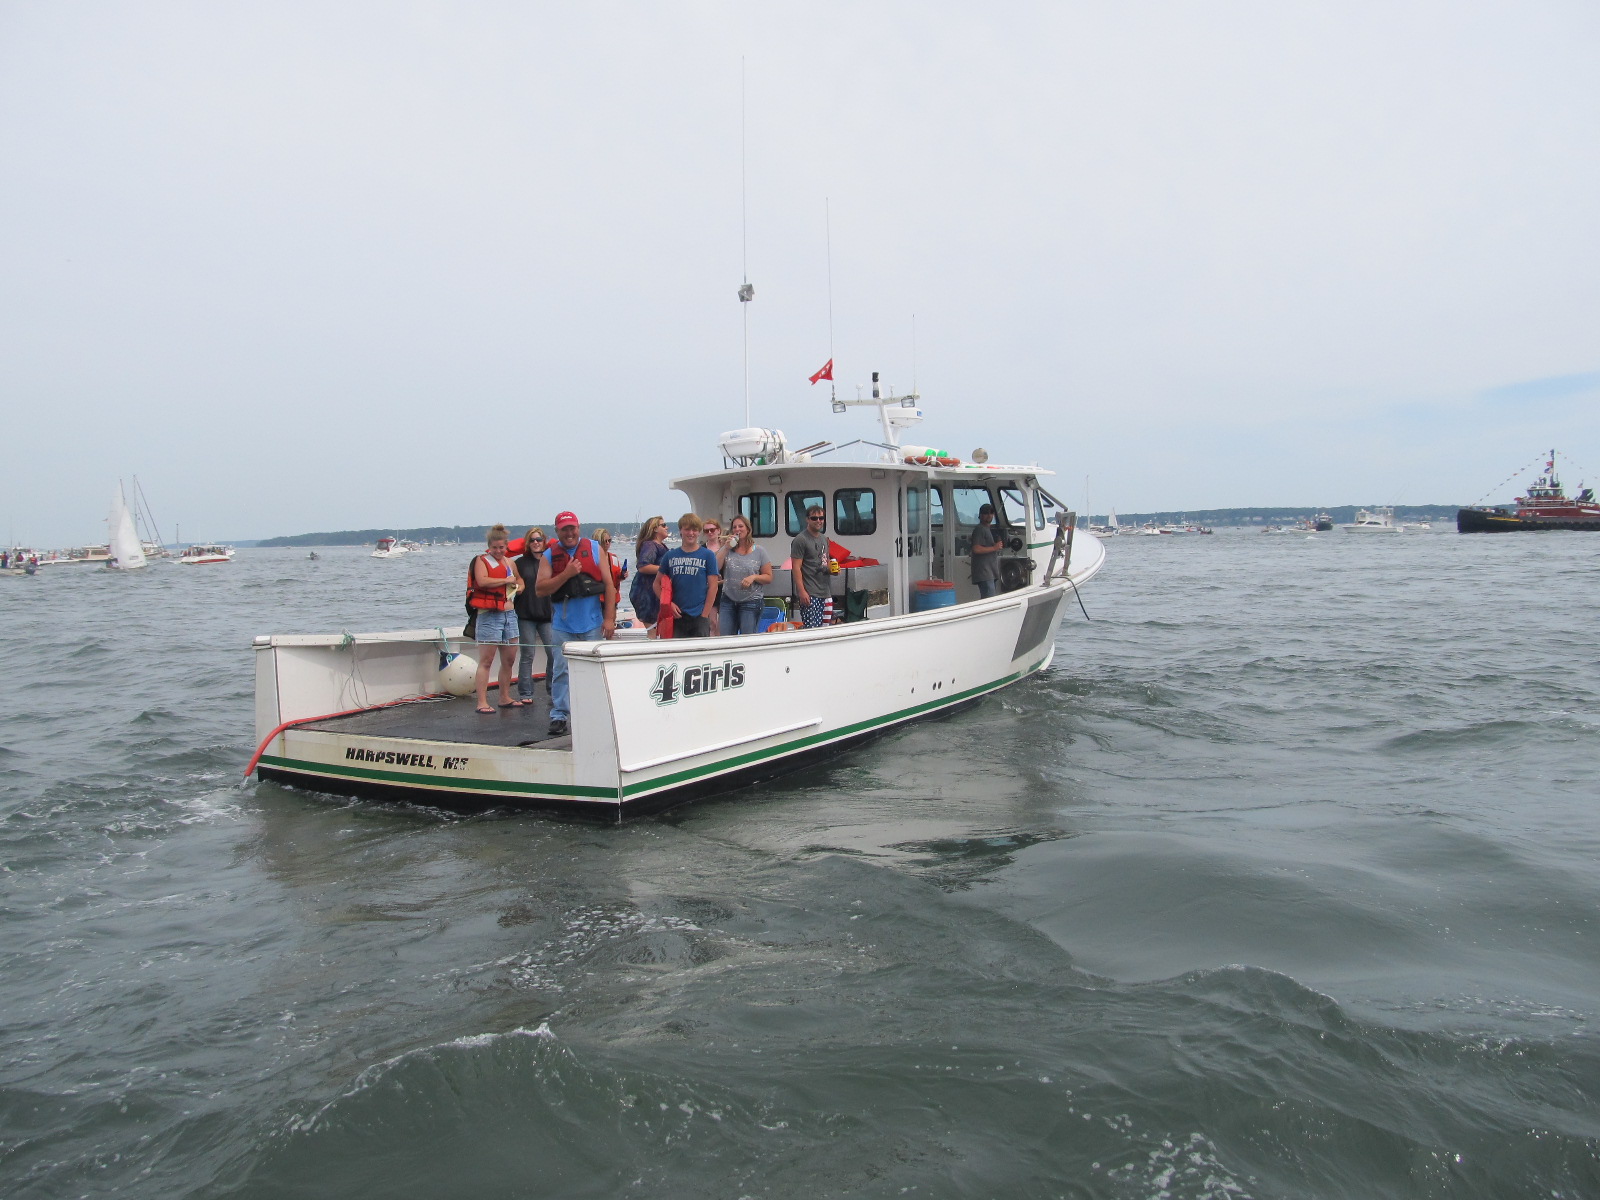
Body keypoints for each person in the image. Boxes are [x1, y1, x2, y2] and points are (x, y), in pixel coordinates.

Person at [535, 512, 617, 737]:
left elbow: (610, 586)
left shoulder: (593, 548)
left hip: (592, 623)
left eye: (572, 528)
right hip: (563, 625)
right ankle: (559, 714)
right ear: (557, 531)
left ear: (578, 528)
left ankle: (596, 712)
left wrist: (609, 619)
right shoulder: (550, 555)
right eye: (564, 529)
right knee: (561, 671)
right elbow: (540, 589)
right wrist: (567, 574)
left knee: (595, 671)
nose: (569, 533)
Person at [467, 525, 523, 714]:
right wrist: (506, 581)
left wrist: (518, 586)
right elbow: (482, 581)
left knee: (509, 659)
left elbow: (520, 580)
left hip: (509, 615)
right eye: (495, 548)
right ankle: (482, 701)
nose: (498, 551)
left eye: (502, 548)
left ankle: (504, 696)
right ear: (489, 547)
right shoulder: (481, 561)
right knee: (486, 660)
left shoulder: (510, 563)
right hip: (489, 615)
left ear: (506, 547)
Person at [657, 513, 720, 638]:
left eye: (694, 530)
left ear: (698, 532)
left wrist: (705, 614)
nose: (691, 533)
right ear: (681, 531)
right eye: (687, 529)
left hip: (699, 616)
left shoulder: (708, 555)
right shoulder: (670, 555)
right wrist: (668, 604)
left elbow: (713, 586)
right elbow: (656, 584)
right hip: (677, 616)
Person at [514, 527, 554, 703]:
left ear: (544, 541)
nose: (536, 543)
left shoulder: (550, 561)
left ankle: (553, 689)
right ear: (527, 543)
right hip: (526, 615)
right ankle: (525, 692)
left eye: (539, 539)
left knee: (554, 653)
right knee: (527, 654)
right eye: (532, 540)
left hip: (547, 615)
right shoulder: (519, 563)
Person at [718, 514, 772, 635]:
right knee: (726, 639)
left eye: (741, 526)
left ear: (748, 529)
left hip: (751, 602)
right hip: (728, 600)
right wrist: (725, 548)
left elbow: (768, 577)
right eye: (735, 527)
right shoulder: (727, 550)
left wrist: (754, 577)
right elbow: (716, 567)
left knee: (747, 639)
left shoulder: (759, 551)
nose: (737, 529)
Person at [790, 504, 831, 628]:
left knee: (825, 631)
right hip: (810, 594)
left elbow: (826, 561)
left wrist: (833, 570)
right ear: (807, 519)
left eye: (821, 518)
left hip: (826, 593)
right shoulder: (800, 540)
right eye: (814, 518)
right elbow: (796, 567)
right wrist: (802, 592)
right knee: (812, 631)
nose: (818, 521)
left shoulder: (824, 539)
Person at [630, 516, 669, 636]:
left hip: (654, 593)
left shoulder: (660, 545)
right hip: (647, 594)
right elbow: (643, 566)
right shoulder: (651, 545)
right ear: (655, 529)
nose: (666, 527)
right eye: (663, 525)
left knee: (657, 630)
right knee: (653, 630)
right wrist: (666, 570)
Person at [970, 502, 1003, 599]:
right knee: (989, 600)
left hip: (990, 572)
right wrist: (994, 548)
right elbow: (976, 548)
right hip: (985, 572)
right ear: (980, 515)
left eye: (991, 513)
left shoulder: (988, 529)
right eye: (986, 513)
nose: (989, 515)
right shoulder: (979, 529)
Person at [701, 519, 726, 634]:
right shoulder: (702, 550)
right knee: (712, 622)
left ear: (718, 530)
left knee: (723, 623)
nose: (710, 533)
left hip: (725, 589)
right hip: (710, 589)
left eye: (712, 530)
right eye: (706, 531)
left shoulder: (726, 547)